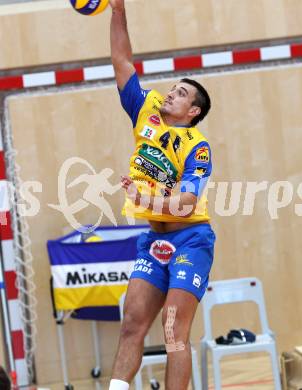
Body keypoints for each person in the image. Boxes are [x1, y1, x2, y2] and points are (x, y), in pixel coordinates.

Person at [108, 1, 215, 389]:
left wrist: (144, 198)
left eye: (181, 93)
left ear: (193, 111)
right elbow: (122, 61)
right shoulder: (146, 111)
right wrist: (117, 11)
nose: (171, 93)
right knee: (132, 322)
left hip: (191, 239)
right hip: (154, 239)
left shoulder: (197, 146)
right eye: (172, 88)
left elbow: (186, 203)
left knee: (173, 332)